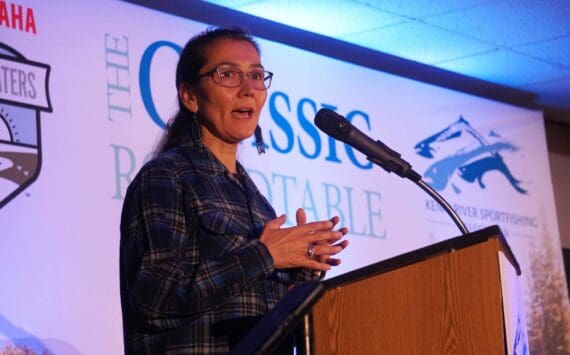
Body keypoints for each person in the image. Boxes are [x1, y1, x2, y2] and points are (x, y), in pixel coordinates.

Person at [119, 27, 349, 354]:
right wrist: (265, 256)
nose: (248, 89)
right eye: (227, 74)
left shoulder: (256, 201)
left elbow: (249, 307)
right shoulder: (167, 175)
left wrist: (302, 273)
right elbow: (156, 298)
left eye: (256, 75)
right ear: (190, 96)